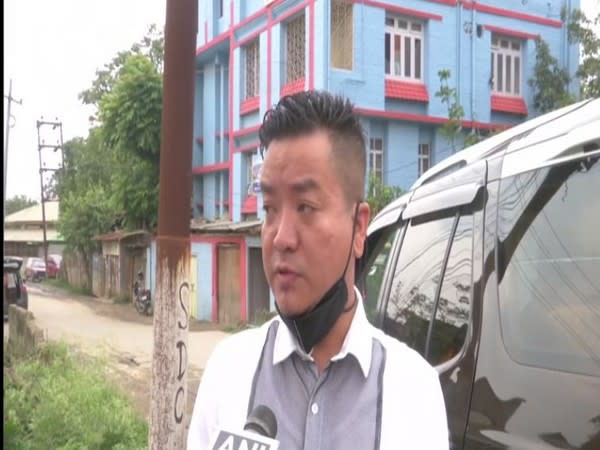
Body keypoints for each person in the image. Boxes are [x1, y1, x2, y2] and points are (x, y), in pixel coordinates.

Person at [187, 91, 448, 449]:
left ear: (358, 228)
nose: (280, 238)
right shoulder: (227, 373)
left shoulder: (414, 394)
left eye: (305, 207)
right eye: (269, 208)